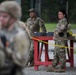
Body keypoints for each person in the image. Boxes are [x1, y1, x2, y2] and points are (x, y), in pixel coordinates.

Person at [0, 1, 30, 75]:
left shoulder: (19, 36)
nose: (1, 19)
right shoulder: (2, 30)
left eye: (5, 16)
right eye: (0, 16)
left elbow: (21, 62)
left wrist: (3, 48)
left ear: (13, 18)